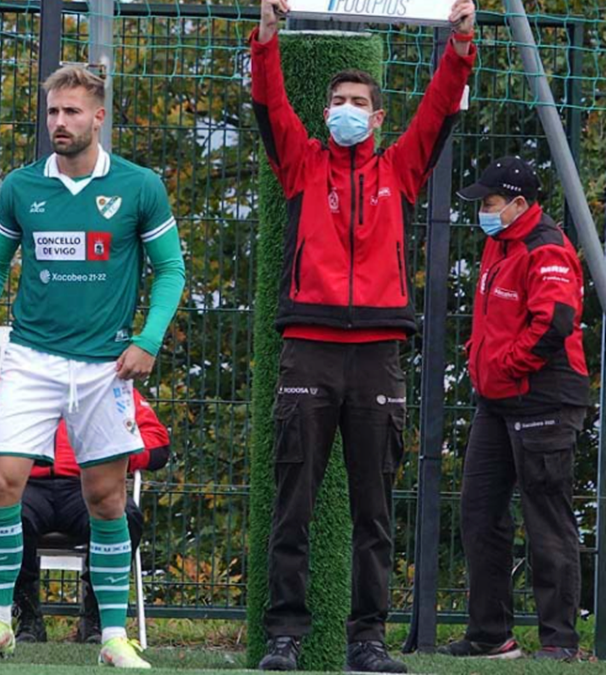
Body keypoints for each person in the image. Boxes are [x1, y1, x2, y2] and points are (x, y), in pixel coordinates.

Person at [250, 0, 477, 671]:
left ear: (379, 117)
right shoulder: (299, 162)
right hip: (308, 350)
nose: (347, 108)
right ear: (325, 114)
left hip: (379, 355)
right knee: (293, 506)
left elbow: (439, 108)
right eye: (337, 100)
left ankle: (367, 641)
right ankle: (285, 635)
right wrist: (266, 38)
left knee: (374, 513)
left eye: (359, 101)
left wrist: (461, 41)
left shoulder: (401, 169)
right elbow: (269, 104)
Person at [0, 64, 186, 669]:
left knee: (106, 498)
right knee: (4, 481)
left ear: (99, 116)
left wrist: (148, 339)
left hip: (105, 367)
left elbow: (171, 270)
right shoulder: (22, 186)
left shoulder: (139, 187)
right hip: (32, 357)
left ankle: (113, 637)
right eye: (53, 111)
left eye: (72, 112)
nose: (60, 122)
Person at [437, 157, 588, 662]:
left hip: (543, 396)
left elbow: (554, 325)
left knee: (546, 518)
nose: (483, 210)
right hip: (498, 398)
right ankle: (489, 635)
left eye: (489, 202)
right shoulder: (498, 242)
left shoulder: (546, 248)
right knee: (480, 512)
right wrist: (482, 359)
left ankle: (559, 642)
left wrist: (501, 364)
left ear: (519, 204)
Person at [0, 376, 171, 643]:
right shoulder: (8, 382)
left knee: (127, 517)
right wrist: (8, 454)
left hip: (87, 484)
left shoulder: (105, 382)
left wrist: (108, 456)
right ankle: (26, 616)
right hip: (27, 483)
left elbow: (158, 445)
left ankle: (96, 618)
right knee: (3, 514)